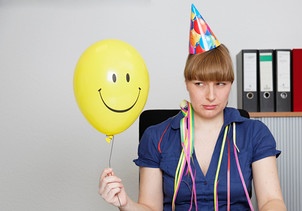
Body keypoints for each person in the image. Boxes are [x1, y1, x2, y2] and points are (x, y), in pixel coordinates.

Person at [99, 4, 286, 211]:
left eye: (220, 84)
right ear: (187, 83)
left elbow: (271, 201)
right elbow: (150, 208)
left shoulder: (255, 133)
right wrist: (125, 203)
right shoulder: (156, 137)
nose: (211, 95)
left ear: (231, 84)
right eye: (200, 84)